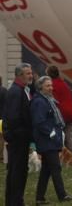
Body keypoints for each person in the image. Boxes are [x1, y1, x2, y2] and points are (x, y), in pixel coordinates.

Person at [31, 75, 72, 204]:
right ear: (40, 87)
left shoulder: (48, 100)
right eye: (48, 86)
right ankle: (62, 195)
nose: (51, 88)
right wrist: (52, 133)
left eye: (51, 85)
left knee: (46, 170)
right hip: (46, 141)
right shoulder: (39, 102)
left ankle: (40, 198)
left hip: (50, 140)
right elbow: (40, 121)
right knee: (55, 167)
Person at [4, 63, 33, 206]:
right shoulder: (17, 91)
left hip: (18, 137)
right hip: (18, 139)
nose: (31, 75)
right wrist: (23, 134)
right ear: (20, 75)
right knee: (18, 171)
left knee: (17, 170)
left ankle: (14, 200)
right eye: (28, 73)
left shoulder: (20, 90)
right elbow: (14, 117)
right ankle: (16, 201)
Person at [47, 66, 72, 156]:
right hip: (71, 112)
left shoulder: (52, 85)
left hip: (63, 113)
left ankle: (70, 156)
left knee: (64, 136)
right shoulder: (63, 83)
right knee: (69, 134)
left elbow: (54, 101)